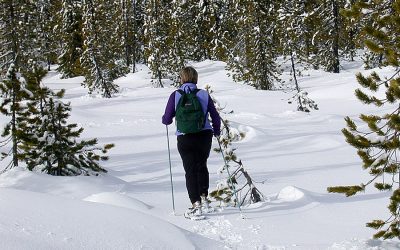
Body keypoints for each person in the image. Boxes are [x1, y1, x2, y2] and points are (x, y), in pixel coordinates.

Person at [162, 66, 221, 218]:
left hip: (185, 136)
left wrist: (166, 120)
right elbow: (215, 116)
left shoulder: (175, 95)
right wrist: (216, 131)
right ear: (196, 78)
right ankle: (204, 197)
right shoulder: (203, 94)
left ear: (182, 78)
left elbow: (167, 119)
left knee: (190, 170)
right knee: (201, 165)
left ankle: (195, 204)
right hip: (204, 135)